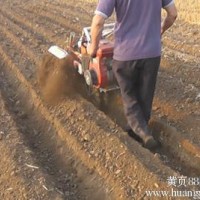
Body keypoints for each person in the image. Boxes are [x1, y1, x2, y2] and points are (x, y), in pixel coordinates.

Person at [87, 0, 177, 149]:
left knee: (129, 97)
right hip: (152, 54)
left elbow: (98, 22)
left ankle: (144, 135)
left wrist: (93, 48)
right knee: (145, 96)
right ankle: (134, 131)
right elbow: (173, 14)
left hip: (126, 54)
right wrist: (161, 30)